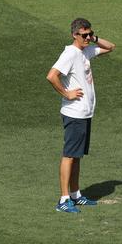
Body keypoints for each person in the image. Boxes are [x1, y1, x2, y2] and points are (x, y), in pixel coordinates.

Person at [46, 18, 115, 213]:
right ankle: (64, 199)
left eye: (89, 34)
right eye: (84, 35)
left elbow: (111, 47)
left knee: (77, 156)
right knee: (69, 155)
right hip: (74, 114)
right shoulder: (70, 53)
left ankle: (76, 195)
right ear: (74, 35)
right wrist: (66, 93)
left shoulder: (85, 51)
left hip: (84, 113)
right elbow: (51, 75)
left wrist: (95, 38)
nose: (87, 38)